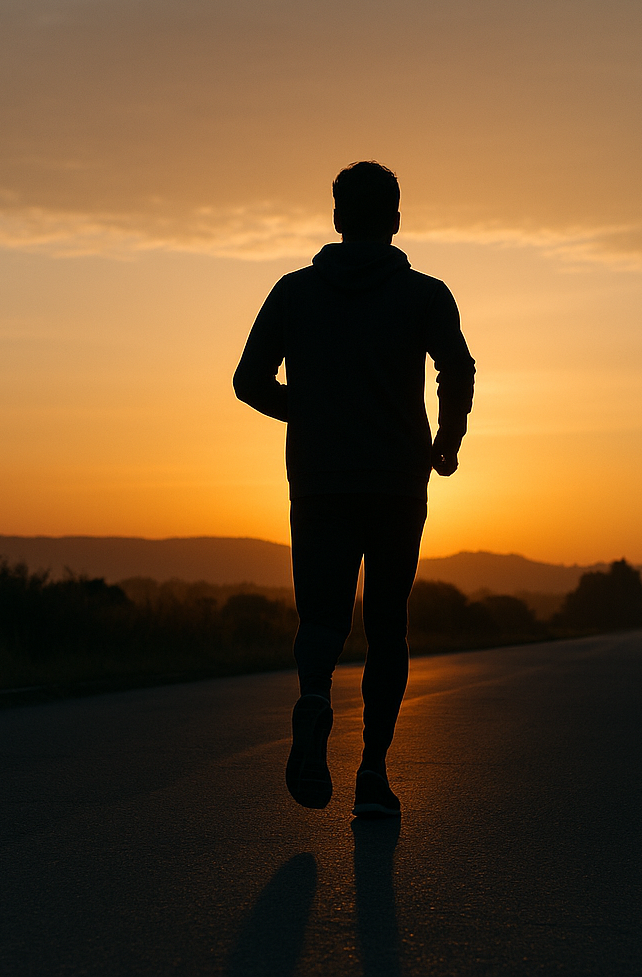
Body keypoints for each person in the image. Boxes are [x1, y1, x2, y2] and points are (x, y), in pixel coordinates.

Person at [233, 161, 475, 816]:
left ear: (338, 218)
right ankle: (372, 773)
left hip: (319, 481)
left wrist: (311, 414)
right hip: (397, 480)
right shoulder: (426, 295)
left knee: (320, 619)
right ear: (395, 219)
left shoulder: (293, 292)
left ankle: (314, 697)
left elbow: (248, 381)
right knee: (387, 627)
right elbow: (456, 366)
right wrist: (446, 439)